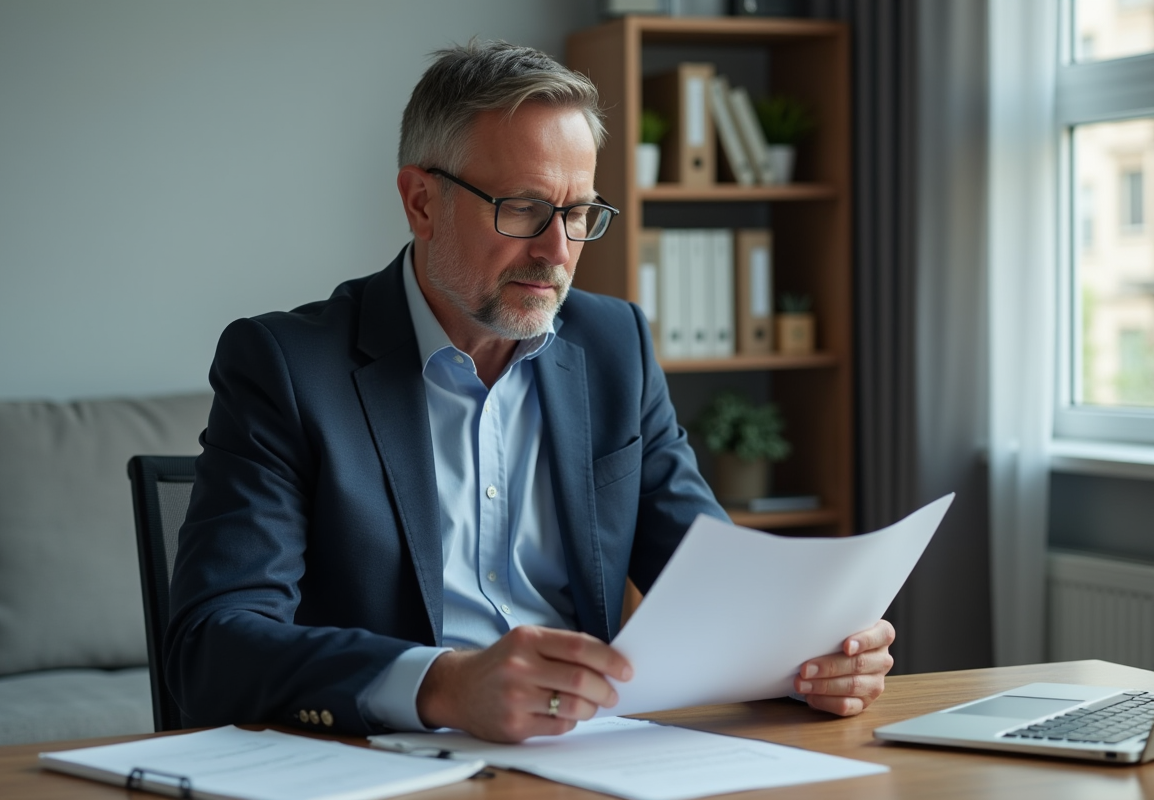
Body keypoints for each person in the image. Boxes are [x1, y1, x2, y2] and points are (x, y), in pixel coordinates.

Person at [165, 39, 894, 744]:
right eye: (522, 208)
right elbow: (212, 645)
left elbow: (711, 585)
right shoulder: (287, 367)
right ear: (421, 202)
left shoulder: (615, 346)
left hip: (594, 752)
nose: (557, 250)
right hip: (389, 763)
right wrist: (443, 685)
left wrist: (813, 656)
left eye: (578, 214)